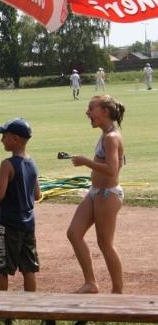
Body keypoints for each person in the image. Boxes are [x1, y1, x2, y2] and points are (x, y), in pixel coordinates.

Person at [66, 95, 126, 294]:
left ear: (105, 112)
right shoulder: (105, 134)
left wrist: (86, 161)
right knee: (74, 233)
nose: (87, 113)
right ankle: (91, 283)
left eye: (91, 109)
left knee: (105, 244)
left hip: (108, 195)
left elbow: (112, 170)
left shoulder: (111, 137)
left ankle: (118, 291)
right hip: (95, 193)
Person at [0, 118, 41, 292]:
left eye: (4, 136)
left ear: (15, 139)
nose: (1, 140)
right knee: (29, 268)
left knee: (2, 267)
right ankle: (30, 306)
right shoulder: (32, 163)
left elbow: (1, 193)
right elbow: (37, 194)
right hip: (28, 223)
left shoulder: (7, 165)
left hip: (9, 224)